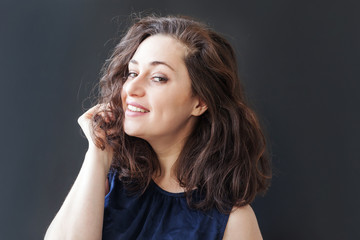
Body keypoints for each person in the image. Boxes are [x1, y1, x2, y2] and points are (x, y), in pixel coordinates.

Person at [45, 15, 271, 240]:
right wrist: (97, 151)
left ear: (200, 102)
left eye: (158, 78)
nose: (132, 87)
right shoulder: (107, 181)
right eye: (132, 73)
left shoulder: (232, 220)